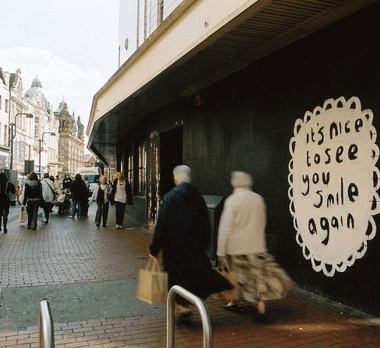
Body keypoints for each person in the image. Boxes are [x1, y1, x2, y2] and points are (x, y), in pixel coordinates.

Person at [149, 165, 233, 322]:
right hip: (194, 247)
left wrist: (154, 250)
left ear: (175, 179)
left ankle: (184, 309)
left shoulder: (169, 198)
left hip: (173, 249)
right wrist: (204, 245)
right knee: (196, 275)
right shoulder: (198, 197)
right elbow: (205, 224)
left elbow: (161, 226)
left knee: (176, 279)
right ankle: (220, 287)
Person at [217, 171, 293, 321]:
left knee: (236, 277)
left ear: (234, 184)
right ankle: (261, 310)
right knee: (258, 278)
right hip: (256, 246)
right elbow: (262, 222)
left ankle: (233, 302)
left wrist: (221, 250)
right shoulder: (258, 199)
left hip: (236, 248)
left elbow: (225, 228)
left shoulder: (232, 200)